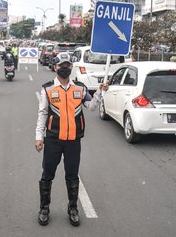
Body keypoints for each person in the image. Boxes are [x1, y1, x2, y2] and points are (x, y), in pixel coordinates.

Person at [34, 53, 108, 227]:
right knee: (47, 175)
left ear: (71, 67)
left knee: (72, 175)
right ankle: (44, 208)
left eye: (67, 65)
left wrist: (99, 92)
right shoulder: (48, 89)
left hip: (74, 141)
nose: (64, 68)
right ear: (55, 67)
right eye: (61, 65)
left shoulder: (80, 88)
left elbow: (91, 107)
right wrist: (39, 137)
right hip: (53, 139)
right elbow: (43, 114)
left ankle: (73, 208)